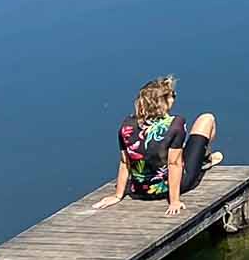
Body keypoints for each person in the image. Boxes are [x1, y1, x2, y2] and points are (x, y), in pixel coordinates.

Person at [93, 75, 223, 217]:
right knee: (207, 119)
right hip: (169, 187)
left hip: (140, 190)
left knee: (170, 149)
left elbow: (125, 162)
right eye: (172, 95)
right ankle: (204, 159)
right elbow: (174, 164)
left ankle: (202, 157)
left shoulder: (126, 126)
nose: (174, 98)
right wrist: (174, 201)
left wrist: (118, 196)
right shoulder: (176, 124)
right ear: (164, 102)